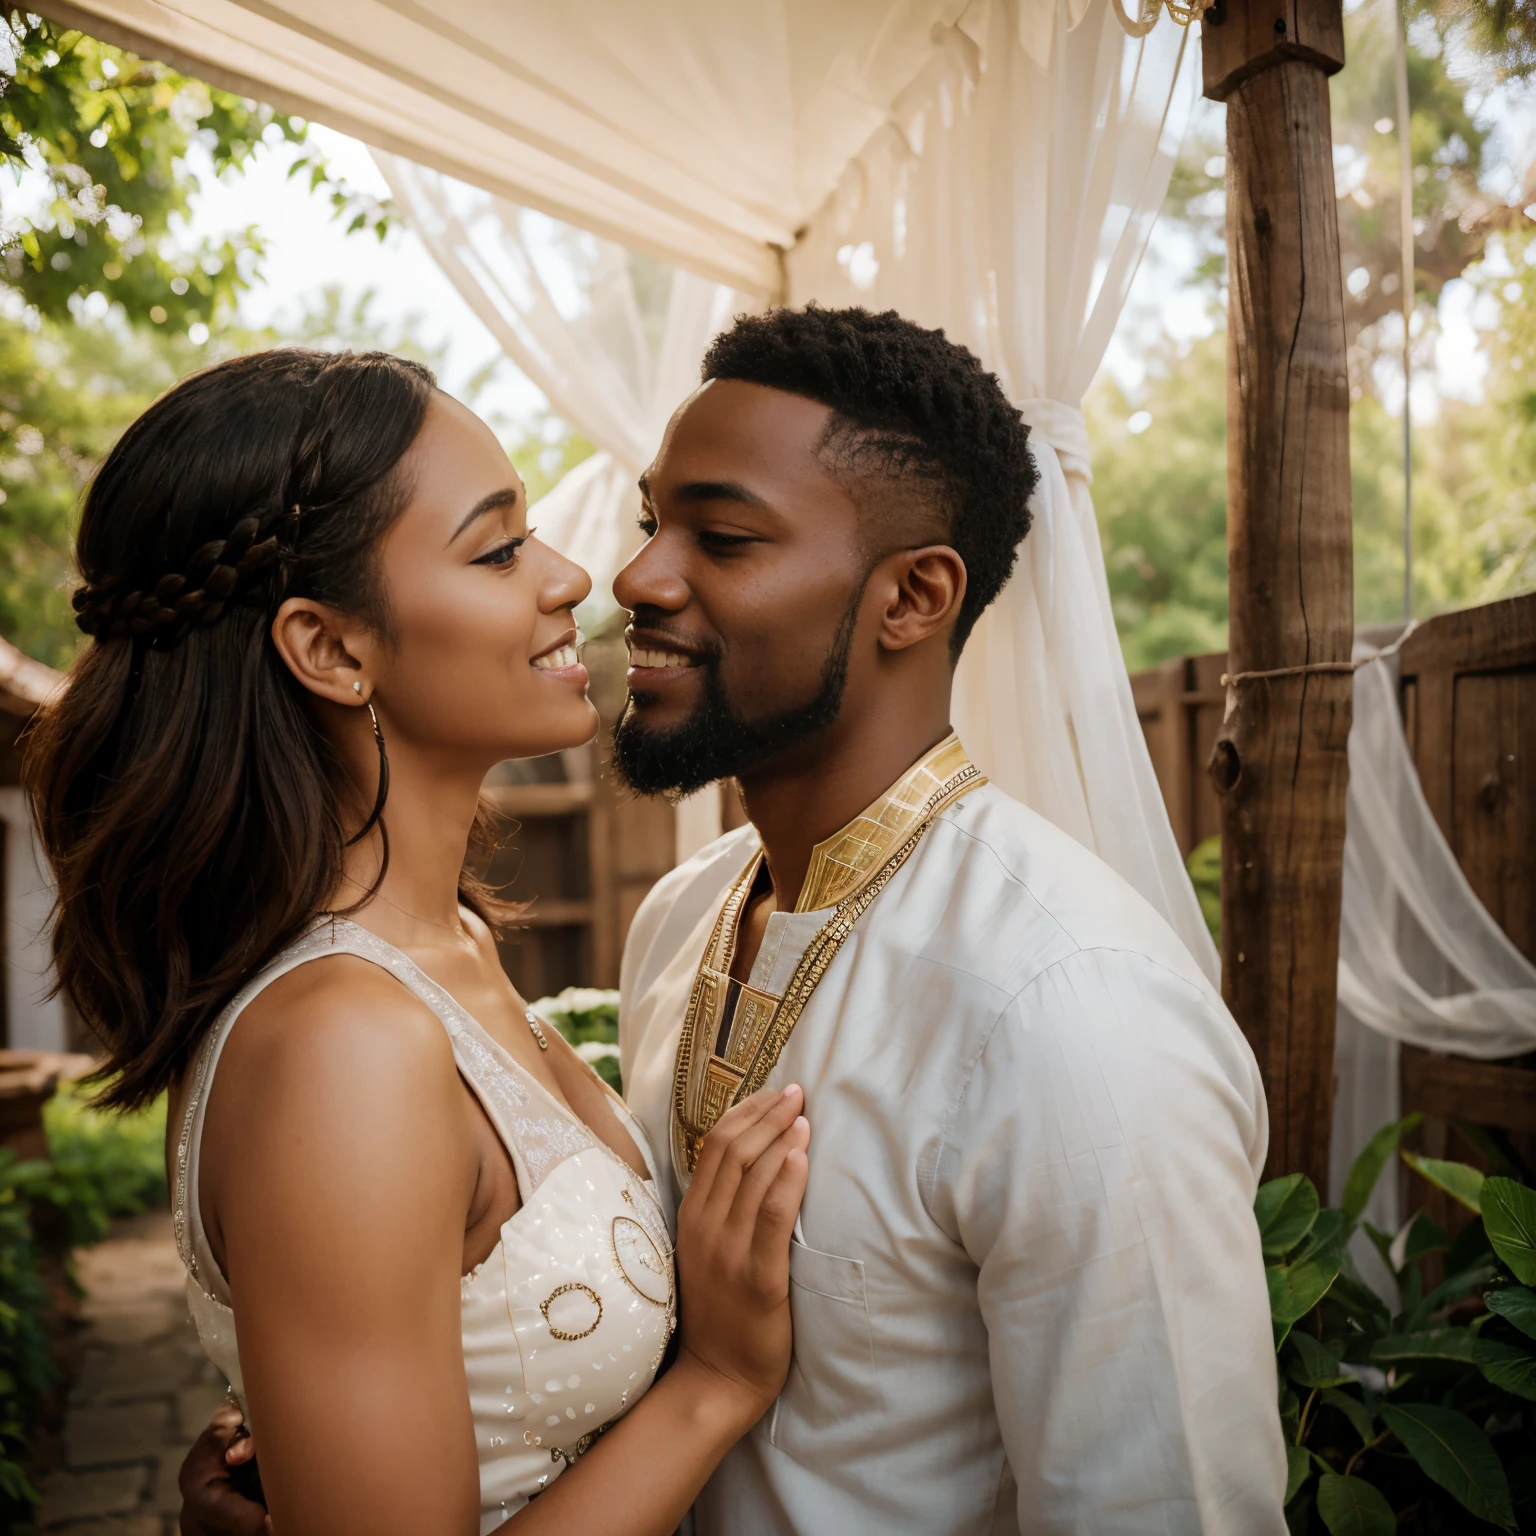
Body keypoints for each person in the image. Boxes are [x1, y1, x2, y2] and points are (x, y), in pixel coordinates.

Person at [182, 307, 1287, 1534]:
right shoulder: (684, 914)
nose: (633, 576)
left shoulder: (1072, 1007)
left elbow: (1167, 1505)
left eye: (722, 536)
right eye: (657, 521)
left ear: (913, 595)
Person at [26, 348, 813, 1536]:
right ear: (332, 650)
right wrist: (717, 1386)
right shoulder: (343, 1046)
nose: (569, 577)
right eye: (497, 550)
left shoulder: (450, 946)